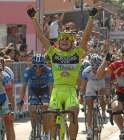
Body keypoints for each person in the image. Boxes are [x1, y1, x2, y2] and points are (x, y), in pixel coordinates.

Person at [26, 3, 99, 140]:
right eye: (62, 39)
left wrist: (91, 17)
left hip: (71, 90)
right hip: (57, 91)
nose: (64, 40)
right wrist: (33, 18)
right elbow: (41, 37)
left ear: (72, 43)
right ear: (58, 42)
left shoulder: (77, 53)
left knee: (73, 114)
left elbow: (86, 36)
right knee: (52, 115)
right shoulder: (54, 53)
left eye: (67, 39)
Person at [96, 43, 124, 140]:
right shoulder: (116, 65)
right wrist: (105, 61)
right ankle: (122, 130)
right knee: (115, 108)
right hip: (121, 94)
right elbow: (99, 76)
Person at [18, 54, 54, 140]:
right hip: (33, 90)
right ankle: (33, 129)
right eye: (35, 66)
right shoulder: (28, 71)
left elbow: (50, 87)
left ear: (44, 65)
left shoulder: (48, 71)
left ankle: (46, 134)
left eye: (40, 66)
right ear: (32, 65)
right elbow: (23, 86)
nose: (38, 69)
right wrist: (21, 100)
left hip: (45, 89)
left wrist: (52, 100)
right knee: (33, 108)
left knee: (44, 109)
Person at [80, 54, 108, 139]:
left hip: (101, 85)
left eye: (97, 65)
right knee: (89, 107)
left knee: (101, 96)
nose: (95, 67)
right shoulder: (86, 71)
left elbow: (108, 85)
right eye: (93, 65)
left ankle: (103, 113)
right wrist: (82, 96)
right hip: (91, 86)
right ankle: (89, 130)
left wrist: (107, 96)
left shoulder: (105, 70)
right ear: (90, 64)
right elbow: (83, 86)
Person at [0, 62, 15, 140]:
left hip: (3, 97)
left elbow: (11, 96)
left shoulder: (5, 77)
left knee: (9, 124)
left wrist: (12, 111)